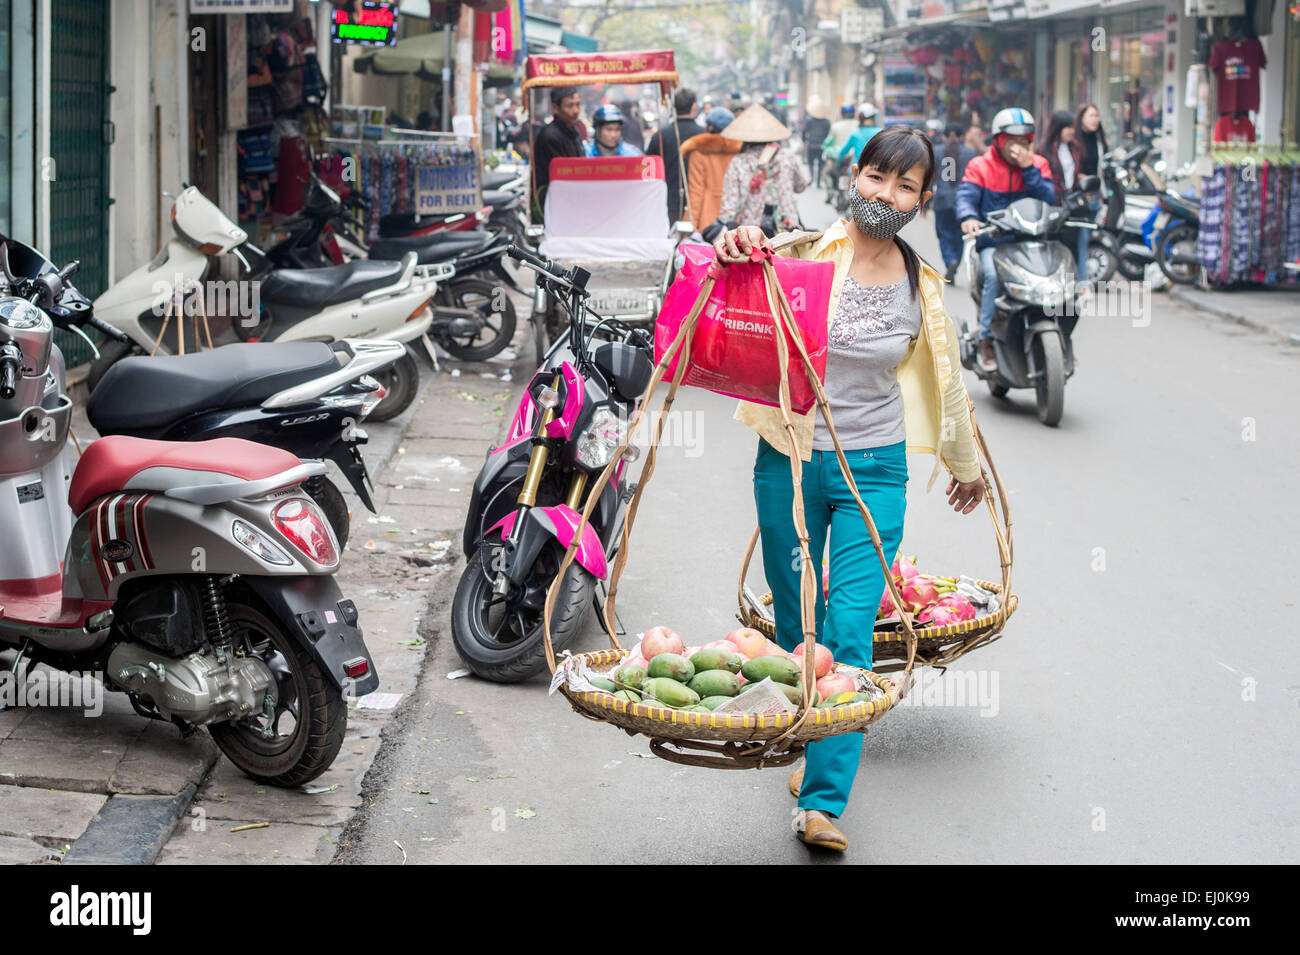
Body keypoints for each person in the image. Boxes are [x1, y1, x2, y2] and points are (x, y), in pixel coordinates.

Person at [713, 124, 987, 852]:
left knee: (852, 629)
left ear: (922, 200)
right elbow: (733, 275)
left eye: (905, 186)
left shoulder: (921, 285)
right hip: (789, 455)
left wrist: (966, 466)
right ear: (855, 177)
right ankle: (804, 737)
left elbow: (949, 386)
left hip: (876, 470)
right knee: (801, 626)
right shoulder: (802, 252)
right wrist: (732, 245)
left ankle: (823, 801)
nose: (886, 194)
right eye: (877, 177)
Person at [956, 107, 1055, 373]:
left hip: (1031, 242)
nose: (1019, 145)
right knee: (992, 277)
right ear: (999, 139)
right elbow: (966, 195)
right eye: (1012, 139)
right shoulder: (980, 165)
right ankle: (987, 338)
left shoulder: (1039, 164)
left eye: (1025, 139)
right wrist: (968, 217)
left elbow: (1048, 199)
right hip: (995, 243)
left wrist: (1028, 169)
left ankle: (1059, 336)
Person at [718, 104, 809, 236]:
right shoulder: (786, 156)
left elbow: (729, 207)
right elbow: (801, 186)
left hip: (752, 234)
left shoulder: (739, 162)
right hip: (787, 230)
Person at [1036, 109, 1090, 282]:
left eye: (1072, 127)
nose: (1071, 131)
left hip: (1071, 204)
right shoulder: (1044, 150)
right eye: (1067, 128)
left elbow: (1075, 173)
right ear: (1057, 128)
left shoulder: (1075, 148)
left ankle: (1071, 285)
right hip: (1052, 204)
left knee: (1071, 245)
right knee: (1050, 243)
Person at [647, 88, 705, 224]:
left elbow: (650, 170)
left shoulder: (660, 136)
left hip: (667, 202)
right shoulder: (705, 136)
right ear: (694, 107)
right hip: (698, 203)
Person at [680, 106, 741, 232]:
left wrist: (690, 224)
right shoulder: (738, 151)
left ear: (710, 127)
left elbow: (696, 192)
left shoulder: (699, 152)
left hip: (707, 219)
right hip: (734, 219)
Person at [931, 122, 976, 282]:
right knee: (959, 235)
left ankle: (950, 260)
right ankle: (955, 259)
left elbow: (931, 175)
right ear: (962, 137)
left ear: (944, 136)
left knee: (944, 234)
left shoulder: (936, 151)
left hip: (942, 199)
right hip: (963, 201)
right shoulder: (970, 153)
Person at [532, 87, 586, 220]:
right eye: (569, 106)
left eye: (578, 105)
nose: (575, 111)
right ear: (556, 108)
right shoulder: (550, 136)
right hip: (555, 200)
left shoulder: (575, 130)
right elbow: (564, 172)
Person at [820, 104, 858, 198]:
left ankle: (830, 192)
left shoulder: (835, 126)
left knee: (827, 173)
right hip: (855, 158)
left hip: (839, 158)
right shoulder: (858, 125)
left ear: (841, 114)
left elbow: (828, 142)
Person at [801, 98, 832, 194]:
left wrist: (804, 141)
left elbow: (804, 132)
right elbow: (828, 134)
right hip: (821, 145)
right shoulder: (826, 121)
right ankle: (818, 181)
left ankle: (811, 178)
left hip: (811, 144)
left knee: (810, 163)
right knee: (820, 164)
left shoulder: (809, 120)